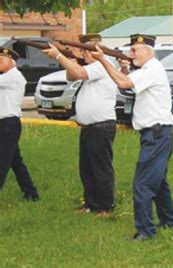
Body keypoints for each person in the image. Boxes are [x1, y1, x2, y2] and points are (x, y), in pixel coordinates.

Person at [91, 34, 173, 240]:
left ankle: (145, 231)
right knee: (158, 181)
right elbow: (128, 83)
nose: (132, 54)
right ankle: (169, 221)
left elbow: (124, 83)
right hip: (157, 133)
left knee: (143, 184)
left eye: (135, 50)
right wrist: (122, 67)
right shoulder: (148, 70)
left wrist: (103, 60)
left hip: (156, 134)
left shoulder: (152, 69)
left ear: (148, 51)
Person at [42, 34, 117, 217]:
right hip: (89, 126)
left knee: (101, 168)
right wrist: (69, 59)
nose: (84, 54)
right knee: (87, 168)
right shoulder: (91, 66)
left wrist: (59, 57)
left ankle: (106, 206)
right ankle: (91, 204)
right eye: (82, 50)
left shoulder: (102, 65)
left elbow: (81, 74)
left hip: (101, 125)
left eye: (86, 50)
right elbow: (72, 76)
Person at [0, 47, 40, 202]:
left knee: (2, 161)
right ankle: (31, 193)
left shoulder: (13, 77)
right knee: (15, 161)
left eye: (1, 59)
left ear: (12, 62)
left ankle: (31, 193)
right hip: (5, 124)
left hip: (8, 124)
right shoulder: (6, 77)